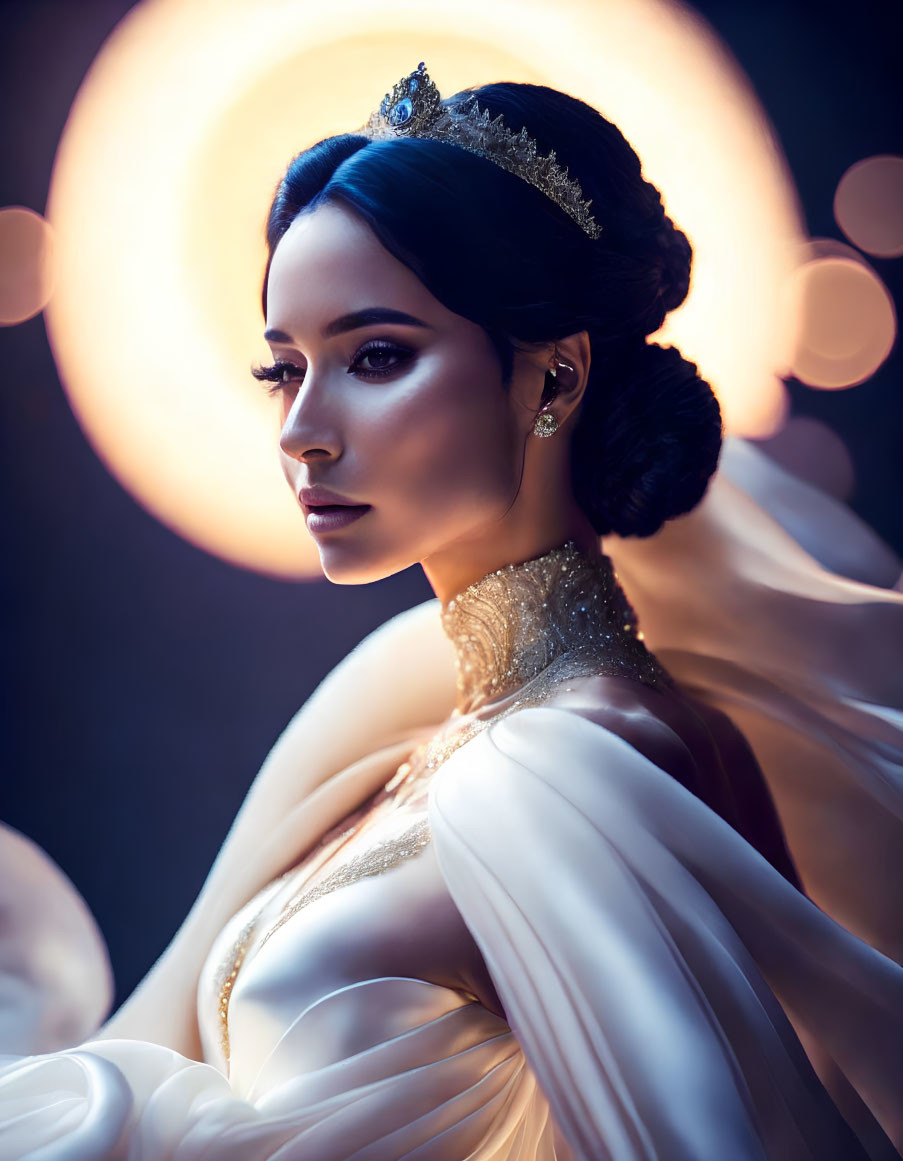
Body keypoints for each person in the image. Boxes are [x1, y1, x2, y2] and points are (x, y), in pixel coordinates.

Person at [1, 61, 902, 1160]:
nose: (301, 431)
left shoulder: (576, 767)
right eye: (283, 370)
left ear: (555, 380)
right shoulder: (417, 713)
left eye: (377, 356)